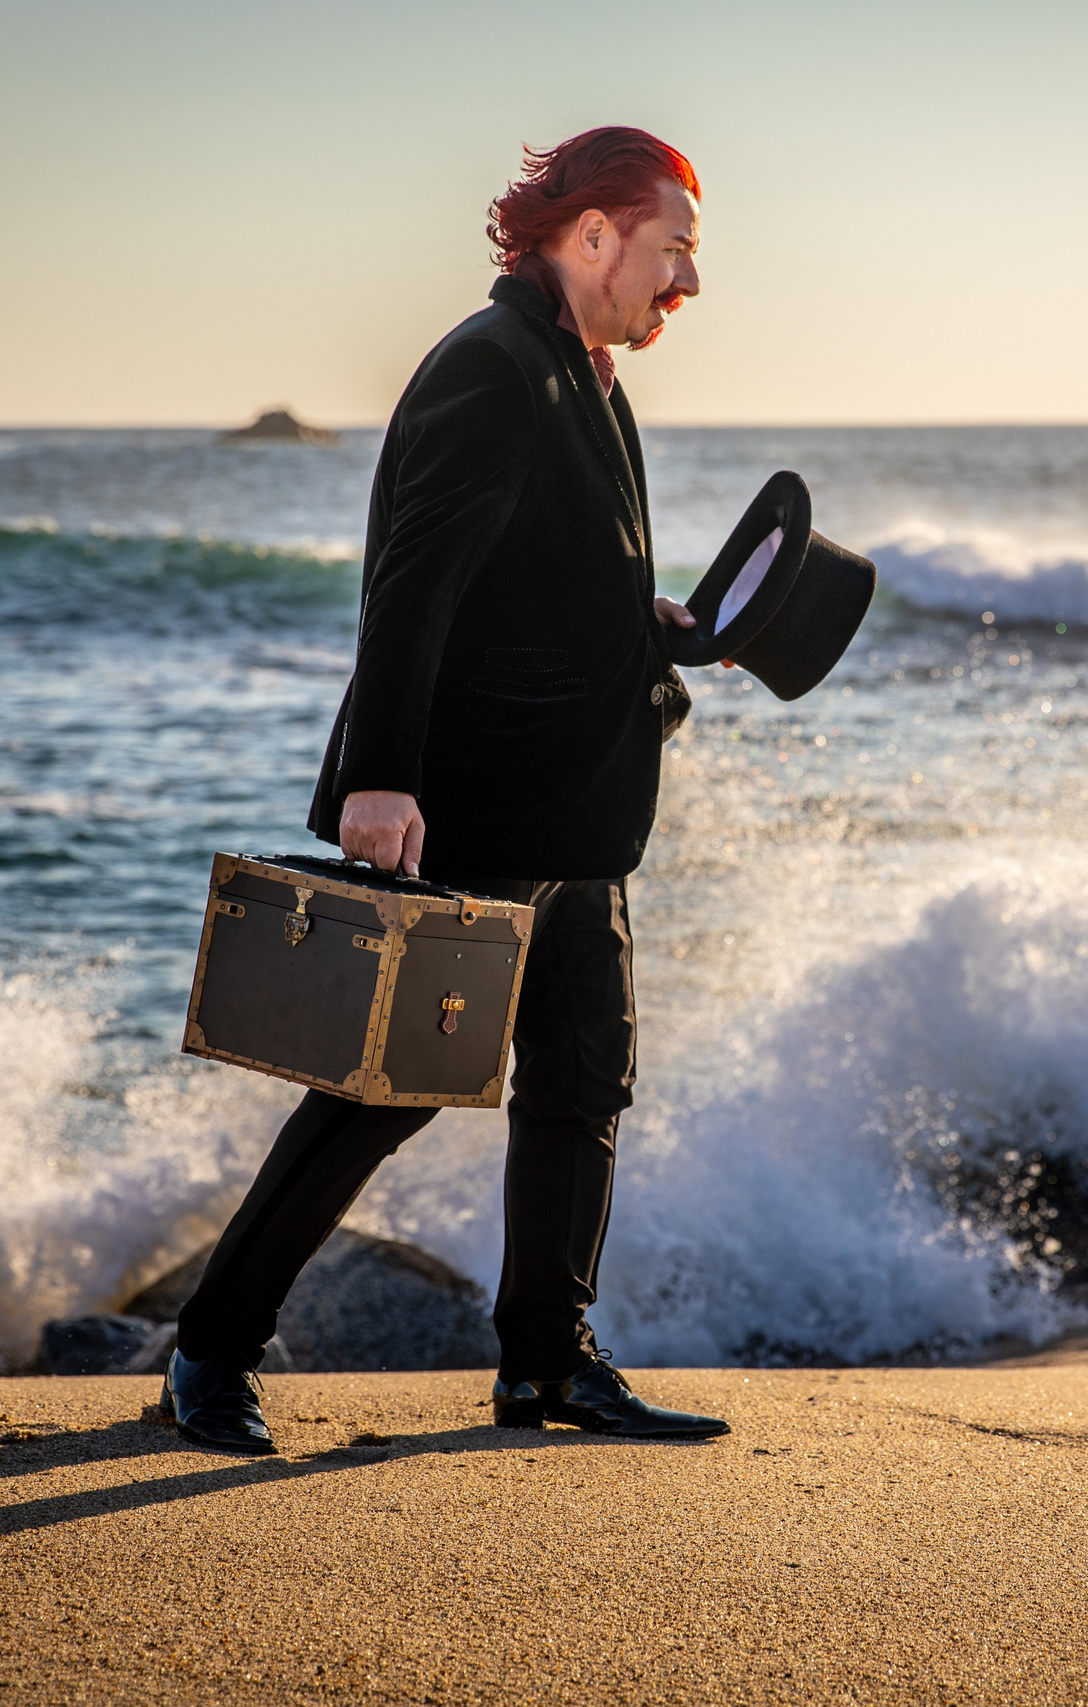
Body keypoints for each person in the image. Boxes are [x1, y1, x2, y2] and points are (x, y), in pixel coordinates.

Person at [165, 127, 728, 1453]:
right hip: (477, 800)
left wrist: (645, 620)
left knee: (585, 1077)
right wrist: (379, 778)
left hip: (579, 810)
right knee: (390, 1085)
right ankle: (210, 1350)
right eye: (674, 252)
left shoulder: (583, 375)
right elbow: (414, 587)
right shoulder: (489, 371)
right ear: (591, 236)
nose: (687, 285)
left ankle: (547, 1360)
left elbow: (531, 575)